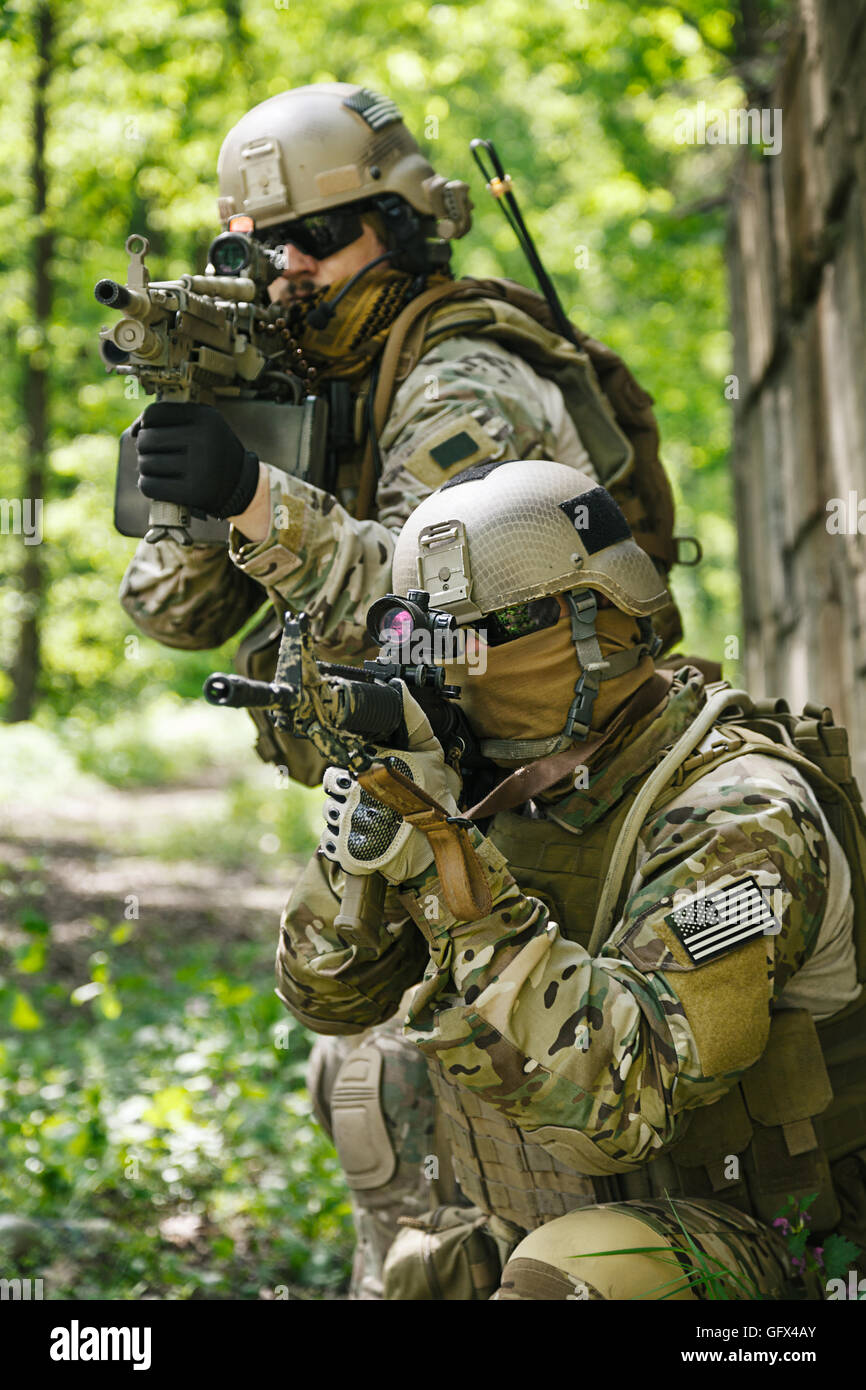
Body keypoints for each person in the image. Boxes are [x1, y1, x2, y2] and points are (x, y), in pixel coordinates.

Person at [117, 83, 689, 1299]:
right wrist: (211, 431)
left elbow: (432, 629)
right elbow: (173, 613)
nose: (286, 270)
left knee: (544, 1145)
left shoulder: (461, 378)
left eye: (318, 236)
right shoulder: (323, 377)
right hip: (429, 805)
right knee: (385, 1112)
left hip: (555, 798)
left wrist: (259, 500)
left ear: (408, 223)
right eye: (254, 247)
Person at [275, 457, 866, 1300]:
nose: (454, 667)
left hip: (783, 1242)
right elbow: (327, 997)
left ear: (603, 620)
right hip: (568, 1206)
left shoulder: (739, 814)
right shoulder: (495, 782)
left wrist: (447, 872)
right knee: (368, 1074)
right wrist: (365, 851)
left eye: (485, 633)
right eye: (433, 638)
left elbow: (622, 1110)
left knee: (587, 1274)